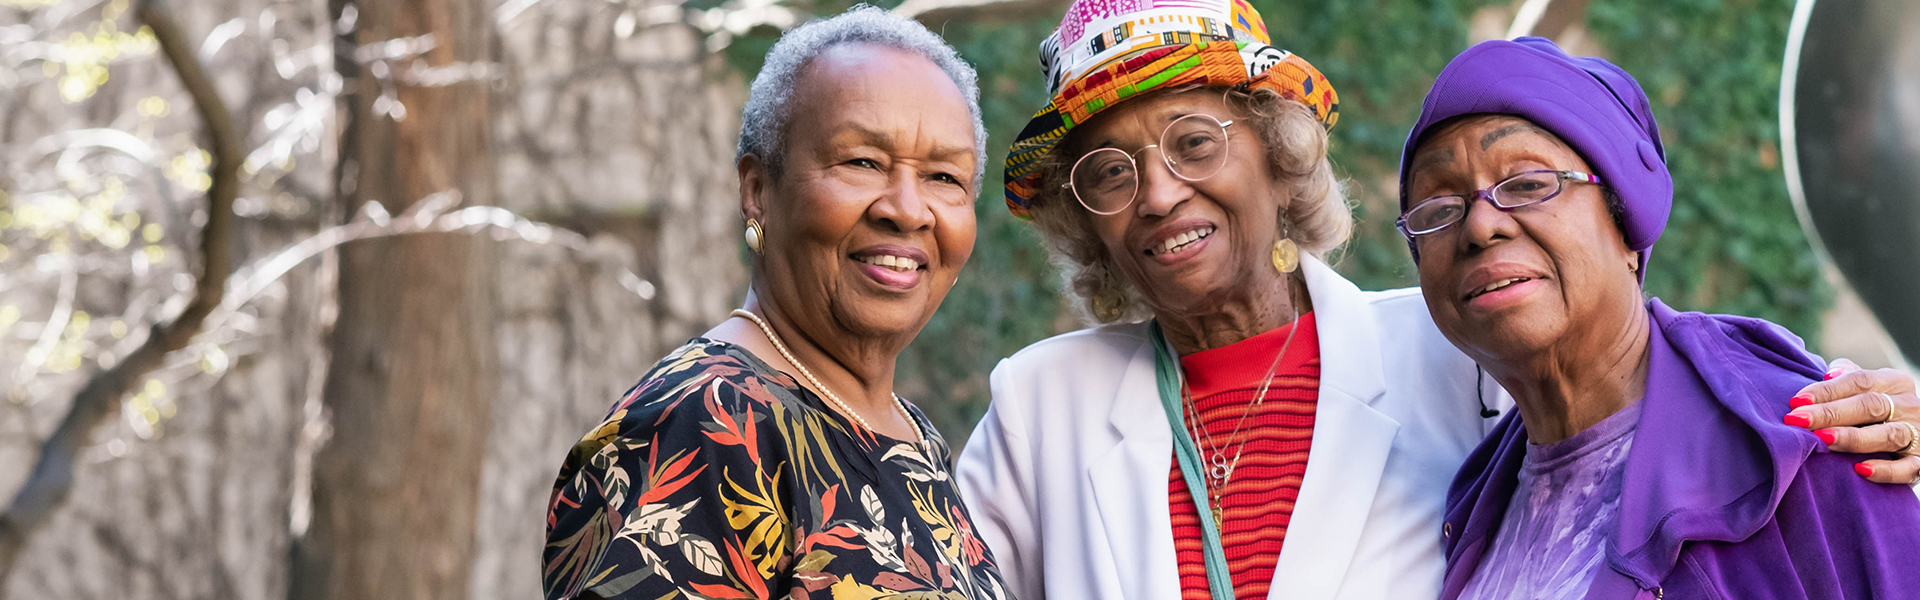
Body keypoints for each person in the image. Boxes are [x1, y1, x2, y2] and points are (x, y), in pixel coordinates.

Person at [953, 0, 1920, 599]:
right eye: (1111, 173)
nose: (1161, 193)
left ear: (1275, 153)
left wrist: (1898, 419)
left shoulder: (1460, 339)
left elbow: (1670, 406)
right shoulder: (1041, 403)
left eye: (1196, 143)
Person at [1400, 37, 1920, 600]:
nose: (1480, 227)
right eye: (1440, 207)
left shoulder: (1799, 452)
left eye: (1527, 184)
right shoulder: (1471, 504)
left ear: (1626, 225)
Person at [542, 7, 1010, 600]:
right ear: (758, 190)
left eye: (945, 177)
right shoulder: (709, 423)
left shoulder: (913, 439)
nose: (908, 209)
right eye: (862, 162)